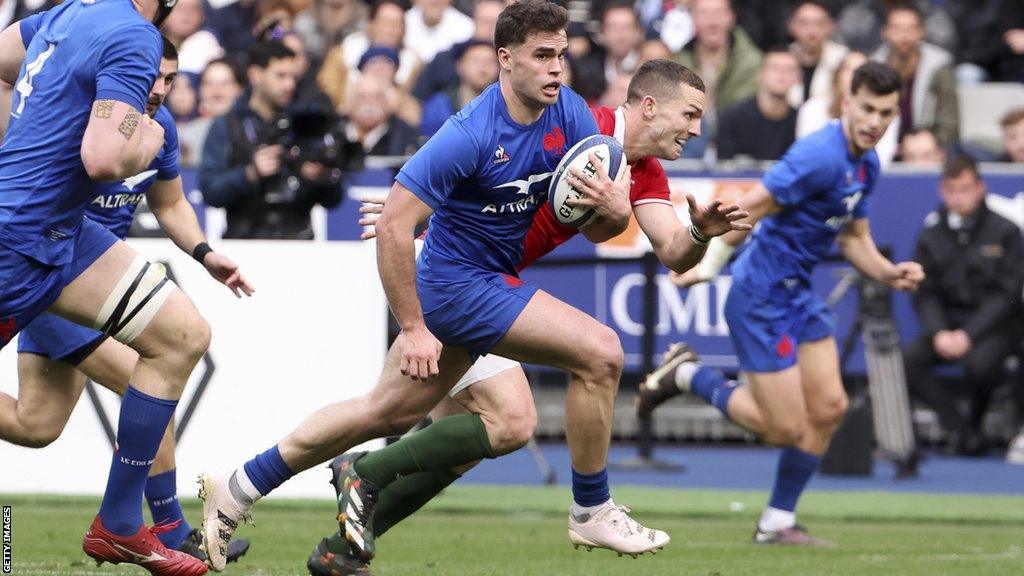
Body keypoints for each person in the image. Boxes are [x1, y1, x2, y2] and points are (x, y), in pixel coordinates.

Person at [196, 2, 681, 570]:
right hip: (454, 284)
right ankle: (591, 509)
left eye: (562, 55)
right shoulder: (468, 133)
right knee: (597, 357)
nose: (556, 68)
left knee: (384, 414)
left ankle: (239, 487)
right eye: (542, 55)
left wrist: (616, 210)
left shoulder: (570, 114)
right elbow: (395, 227)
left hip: (487, 280)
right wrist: (414, 327)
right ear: (505, 59)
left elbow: (595, 224)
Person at [308, 58, 752, 576]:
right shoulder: (579, 124)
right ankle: (297, 479)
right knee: (554, 386)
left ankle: (340, 541)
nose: (698, 130)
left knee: (451, 438)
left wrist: (700, 233)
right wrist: (414, 203)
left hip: (488, 282)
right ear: (650, 106)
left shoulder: (644, 170)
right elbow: (491, 157)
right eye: (691, 114)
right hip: (456, 276)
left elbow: (674, 253)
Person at [0, 0, 239, 572]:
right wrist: (147, 140)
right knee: (43, 422)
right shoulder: (134, 36)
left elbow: (4, 59)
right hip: (17, 240)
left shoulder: (65, 14)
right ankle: (159, 520)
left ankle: (122, 525)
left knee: (182, 335)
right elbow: (105, 158)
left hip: (62, 235)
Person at [651, 62, 924, 546]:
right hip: (761, 296)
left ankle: (776, 521)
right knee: (783, 429)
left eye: (884, 112)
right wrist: (707, 268)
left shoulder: (869, 163)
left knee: (831, 407)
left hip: (797, 294)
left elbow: (854, 238)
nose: (874, 121)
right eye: (866, 108)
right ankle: (688, 374)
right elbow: (748, 206)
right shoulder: (819, 154)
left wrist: (889, 272)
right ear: (846, 103)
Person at [903, 155, 1024, 456]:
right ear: (942, 191)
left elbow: (1006, 293)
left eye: (965, 189)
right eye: (952, 189)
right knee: (907, 360)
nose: (959, 197)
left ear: (980, 188)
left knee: (981, 365)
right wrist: (939, 332)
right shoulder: (932, 234)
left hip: (993, 327)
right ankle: (962, 429)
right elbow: (925, 291)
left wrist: (968, 335)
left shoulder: (1006, 231)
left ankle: (974, 424)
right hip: (947, 324)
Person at [199, 40, 344, 240]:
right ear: (256, 75)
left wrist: (318, 178)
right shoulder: (227, 124)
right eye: (281, 76)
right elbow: (210, 192)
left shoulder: (308, 123)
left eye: (293, 77)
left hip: (298, 243)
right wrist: (250, 174)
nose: (289, 85)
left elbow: (334, 199)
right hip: (244, 242)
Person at [872, 3, 959, 147]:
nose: (904, 36)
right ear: (884, 32)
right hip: (881, 143)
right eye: (897, 29)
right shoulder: (873, 67)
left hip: (926, 147)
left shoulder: (939, 66)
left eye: (911, 29)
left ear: (921, 32)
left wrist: (932, 142)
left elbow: (949, 123)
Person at [797, 50, 898, 166]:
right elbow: (808, 156)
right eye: (848, 69)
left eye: (861, 71)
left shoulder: (886, 111)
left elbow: (881, 160)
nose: (875, 123)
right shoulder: (813, 109)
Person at [716, 47, 800, 161]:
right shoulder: (733, 118)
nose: (782, 75)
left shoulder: (801, 120)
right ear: (761, 74)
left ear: (798, 78)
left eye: (789, 70)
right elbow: (723, 169)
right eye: (775, 68)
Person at [419, 39, 499, 137]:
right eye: (476, 61)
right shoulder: (439, 104)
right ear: (460, 66)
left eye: (491, 61)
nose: (483, 66)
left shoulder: (506, 106)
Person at [572, 1, 644, 103]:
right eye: (613, 27)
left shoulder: (650, 70)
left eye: (627, 27)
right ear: (602, 33)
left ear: (638, 32)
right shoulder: (586, 72)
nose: (620, 34)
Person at [786, 1, 848, 107]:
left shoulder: (843, 59)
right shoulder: (782, 58)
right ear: (791, 25)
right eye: (804, 23)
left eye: (819, 23)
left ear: (830, 26)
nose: (811, 31)